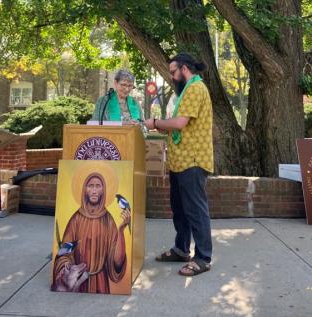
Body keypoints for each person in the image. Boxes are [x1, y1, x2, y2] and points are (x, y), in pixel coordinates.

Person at [144, 53, 214, 277]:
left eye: (173, 72)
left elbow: (180, 123)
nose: (172, 77)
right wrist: (163, 126)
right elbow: (179, 124)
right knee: (180, 210)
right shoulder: (187, 89)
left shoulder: (195, 88)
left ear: (184, 69)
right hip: (180, 161)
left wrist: (155, 123)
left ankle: (202, 258)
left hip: (192, 161)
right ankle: (181, 249)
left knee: (195, 210)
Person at [52, 172, 131, 293]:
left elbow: (117, 262)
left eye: (98, 186)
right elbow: (64, 253)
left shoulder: (109, 220)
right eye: (91, 186)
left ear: (103, 191)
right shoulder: (76, 219)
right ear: (84, 190)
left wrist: (121, 230)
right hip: (78, 281)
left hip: (100, 283)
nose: (94, 190)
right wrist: (70, 269)